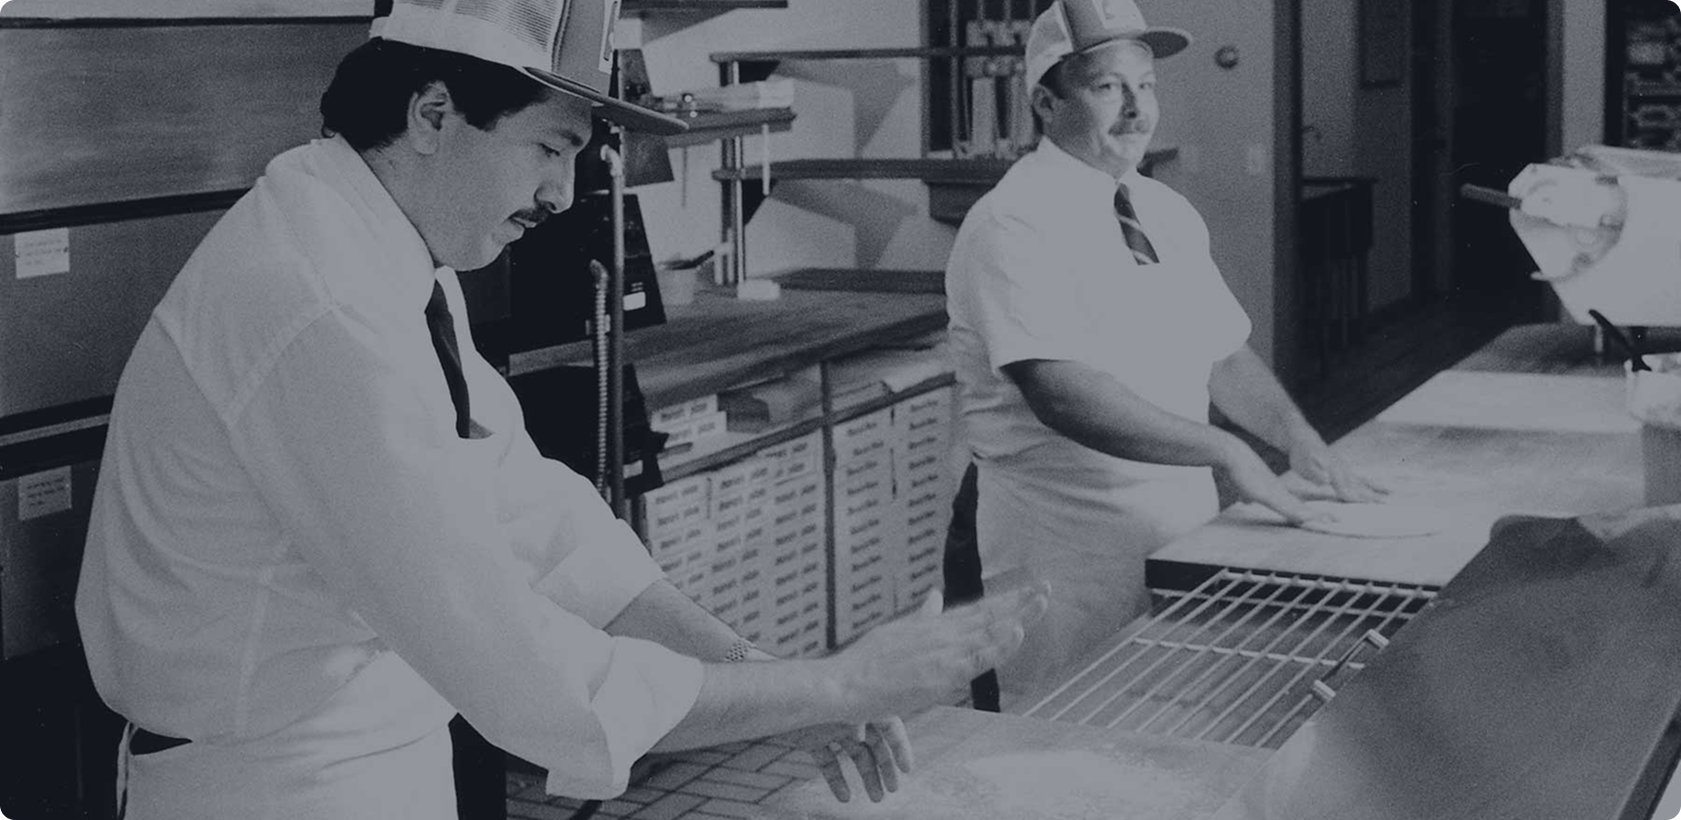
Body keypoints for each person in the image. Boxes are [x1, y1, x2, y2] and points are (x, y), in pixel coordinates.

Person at [73, 1, 1048, 817]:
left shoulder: (383, 246)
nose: (560, 191)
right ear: (431, 113)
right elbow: (523, 666)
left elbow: (533, 513)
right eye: (550, 145)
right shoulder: (318, 301)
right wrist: (837, 682)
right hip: (271, 788)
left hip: (369, 756)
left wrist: (767, 677)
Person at [943, 0, 1382, 697]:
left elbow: (1223, 354)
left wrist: (1296, 439)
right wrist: (1229, 450)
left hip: (1178, 534)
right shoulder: (1011, 223)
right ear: (1045, 101)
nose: (1135, 109)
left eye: (1144, 86)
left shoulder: (1161, 210)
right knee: (1063, 750)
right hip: (1059, 551)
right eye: (1106, 87)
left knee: (1167, 726)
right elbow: (1058, 391)